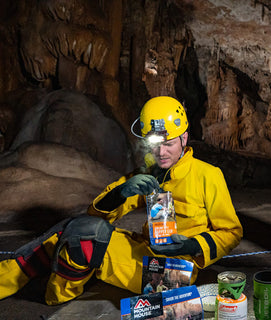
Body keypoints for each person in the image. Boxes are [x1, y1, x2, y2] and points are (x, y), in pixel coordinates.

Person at [0, 96, 243, 305]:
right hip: (144, 253)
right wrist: (121, 192)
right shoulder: (149, 173)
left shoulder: (207, 175)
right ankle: (5, 279)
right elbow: (95, 215)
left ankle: (55, 297)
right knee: (71, 228)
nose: (161, 153)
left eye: (168, 144)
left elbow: (231, 231)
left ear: (184, 138)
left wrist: (192, 246)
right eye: (155, 145)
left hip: (175, 275)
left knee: (85, 236)